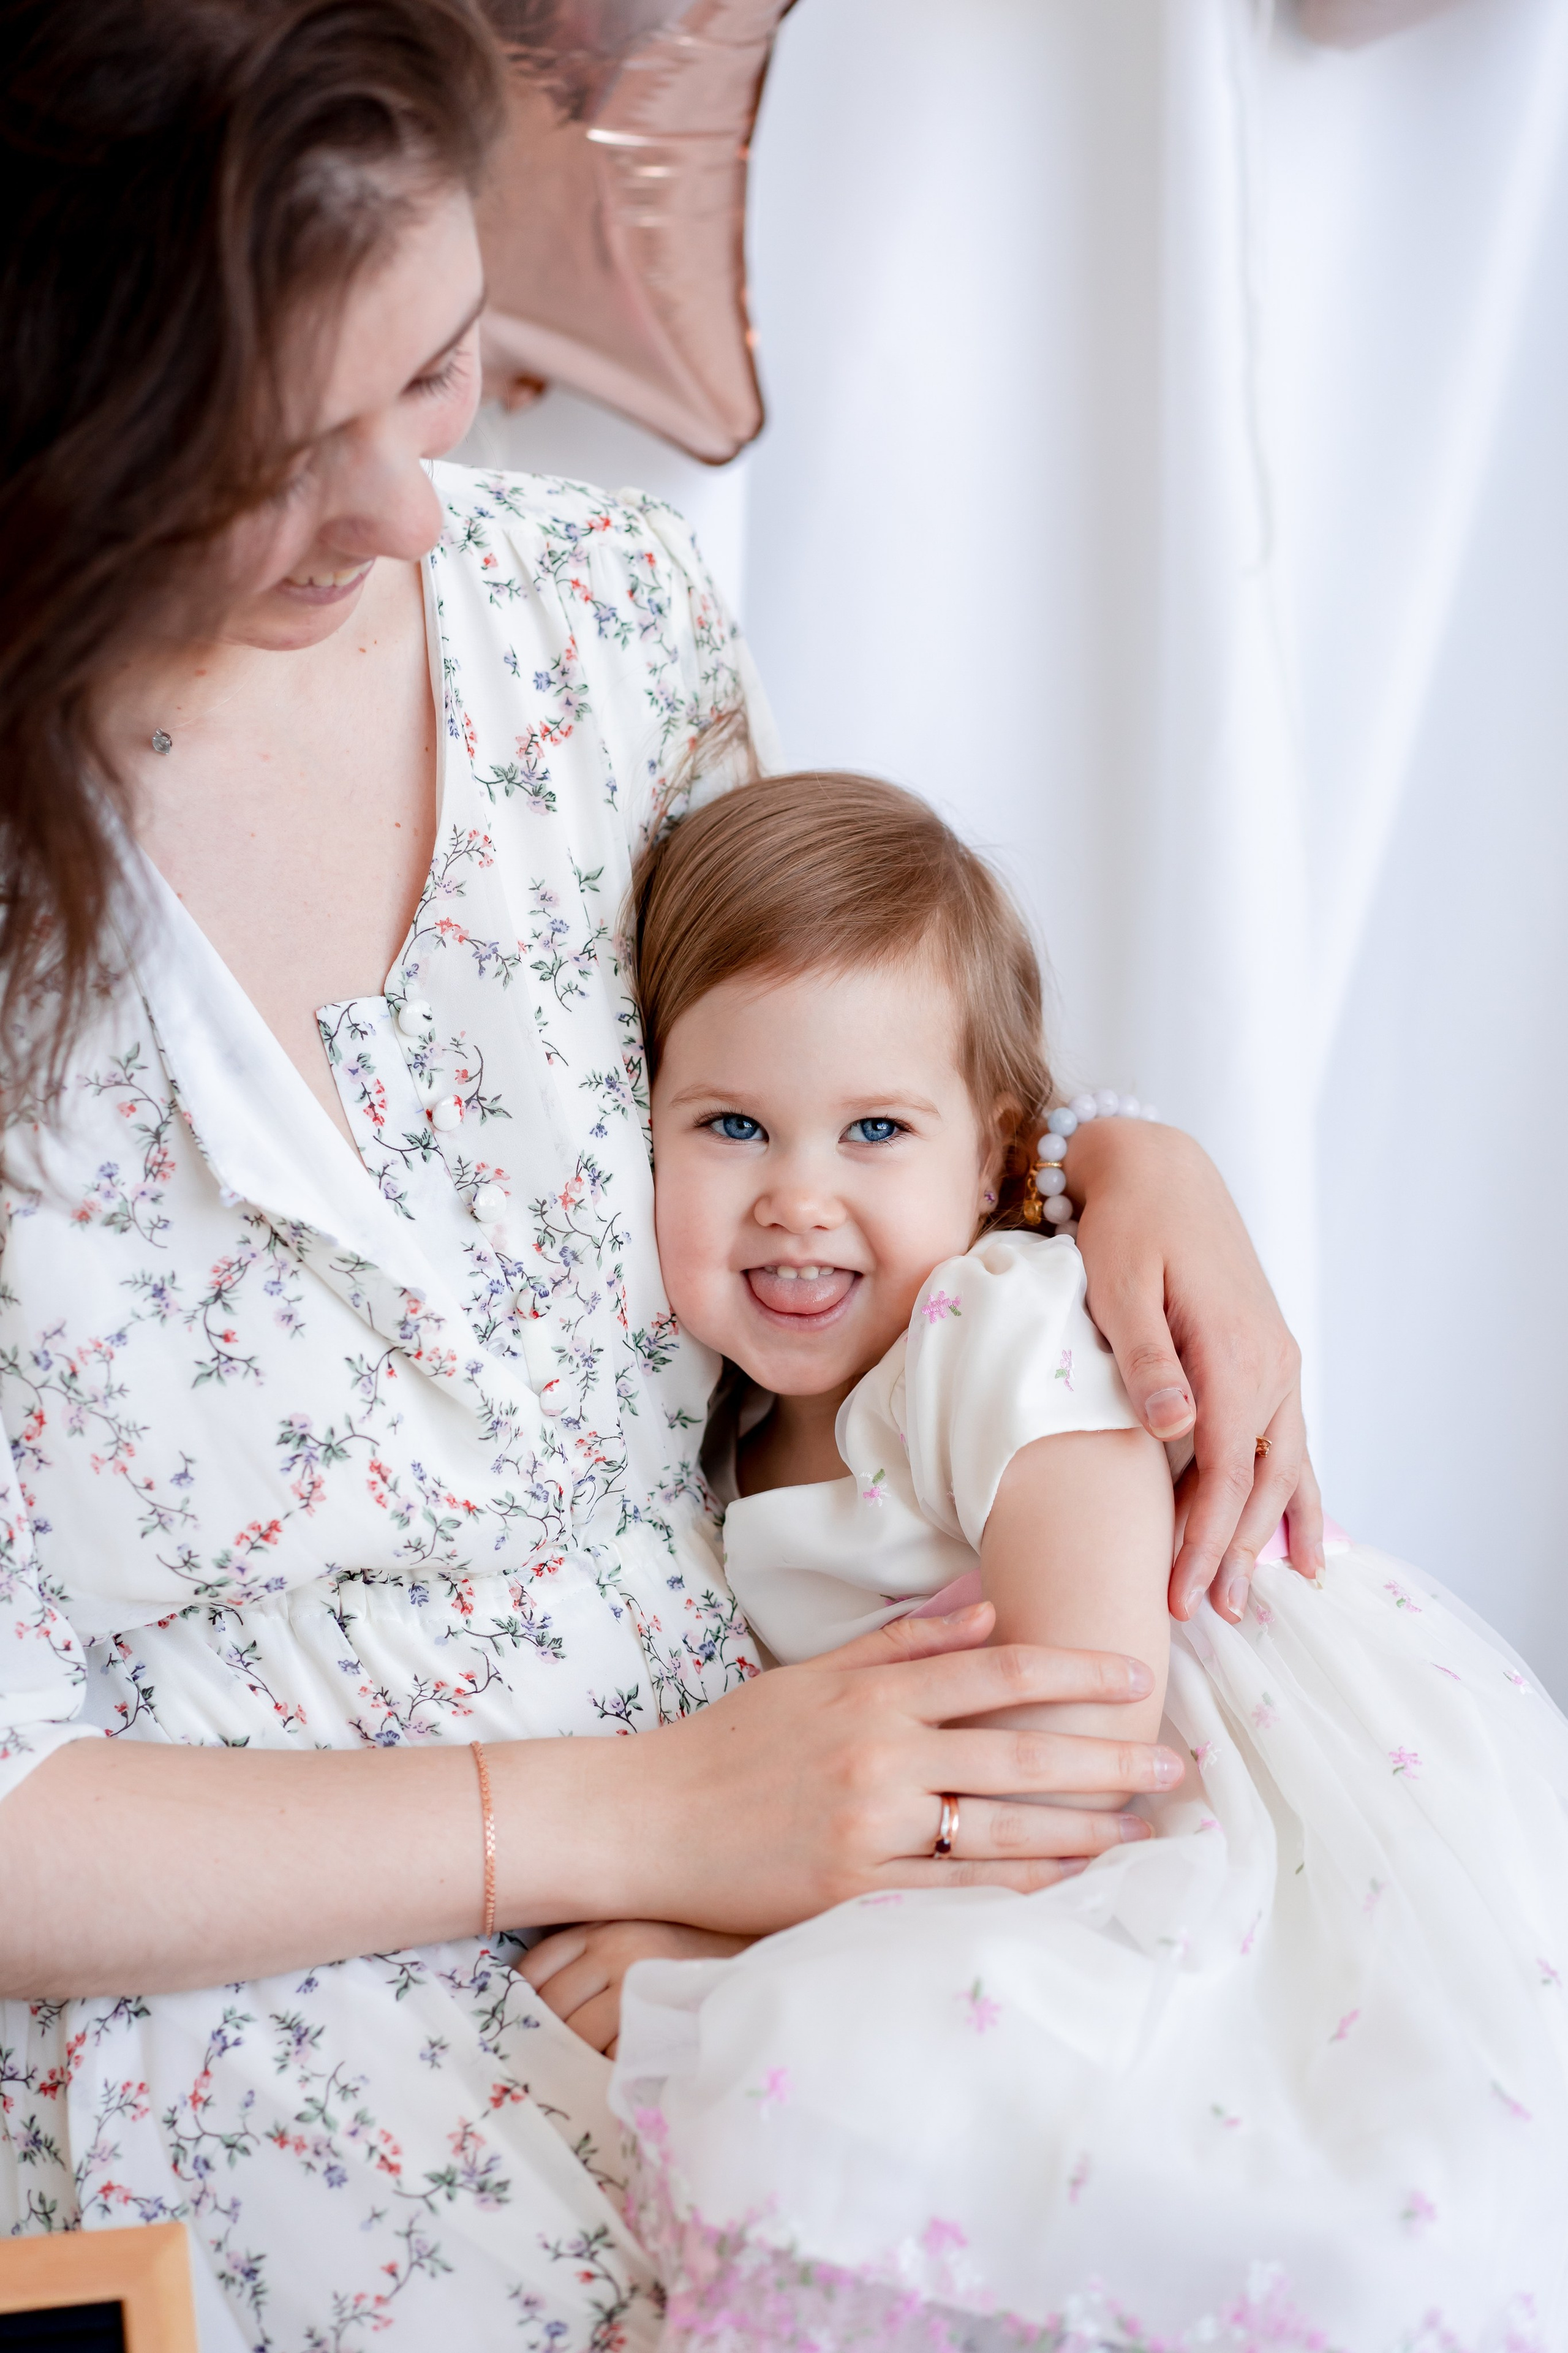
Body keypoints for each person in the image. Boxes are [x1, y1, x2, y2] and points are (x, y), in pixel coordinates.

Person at [0, 2, 1321, 2344]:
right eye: (282, 453)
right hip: (249, 2075)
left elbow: (822, 1063)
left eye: (439, 378)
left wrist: (1111, 1155)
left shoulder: (592, 620)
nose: (412, 513)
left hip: (813, 1896)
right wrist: (646, 1815)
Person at [529, 771, 1567, 2349]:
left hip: (1163, 1827)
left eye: (874, 1129)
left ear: (991, 1154)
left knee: (1026, 2103)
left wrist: (727, 1935)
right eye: (731, 1125)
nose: (797, 1196)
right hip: (1009, 1820)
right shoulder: (724, 1422)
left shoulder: (993, 1332)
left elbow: (1084, 1728)